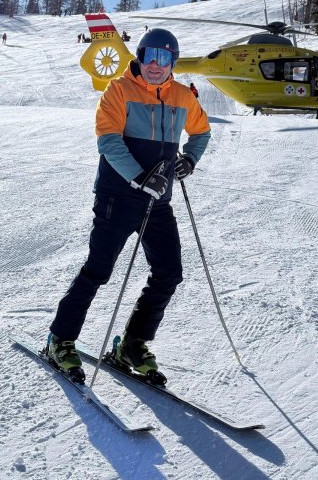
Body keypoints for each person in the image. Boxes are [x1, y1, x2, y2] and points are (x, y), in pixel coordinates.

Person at [48, 28, 211, 379]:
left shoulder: (183, 96)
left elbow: (202, 131)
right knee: (98, 270)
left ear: (172, 62)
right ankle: (59, 339)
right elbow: (108, 140)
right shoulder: (118, 90)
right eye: (150, 55)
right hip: (117, 197)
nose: (156, 64)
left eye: (164, 57)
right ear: (139, 56)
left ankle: (132, 344)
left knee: (169, 272)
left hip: (158, 201)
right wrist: (139, 178)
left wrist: (190, 159)